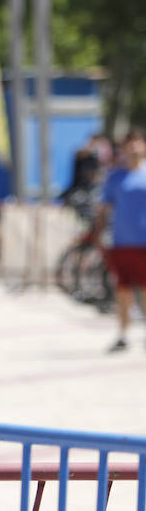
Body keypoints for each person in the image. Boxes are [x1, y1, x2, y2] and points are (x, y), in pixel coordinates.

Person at [93, 130, 146, 352]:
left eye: (137, 143)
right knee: (123, 289)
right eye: (129, 144)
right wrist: (99, 233)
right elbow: (104, 208)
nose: (133, 148)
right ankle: (123, 333)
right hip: (122, 242)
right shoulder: (115, 176)